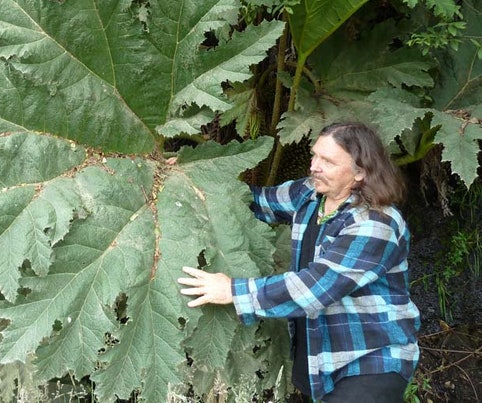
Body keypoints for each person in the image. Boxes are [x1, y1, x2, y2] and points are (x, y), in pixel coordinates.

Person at [177, 121, 420, 402]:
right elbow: (255, 201)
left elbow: (315, 288)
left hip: (369, 360)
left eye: (327, 161)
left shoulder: (376, 223)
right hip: (319, 356)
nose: (314, 166)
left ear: (360, 172)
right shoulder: (310, 194)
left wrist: (233, 290)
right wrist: (191, 179)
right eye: (314, 155)